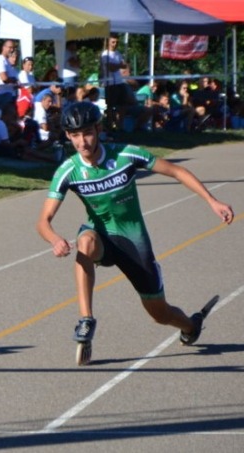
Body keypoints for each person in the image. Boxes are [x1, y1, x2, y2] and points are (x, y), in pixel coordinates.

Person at [36, 102, 234, 364]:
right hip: (101, 236)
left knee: (159, 313)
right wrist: (54, 239)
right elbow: (43, 221)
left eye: (88, 133)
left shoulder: (126, 155)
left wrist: (212, 201)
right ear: (68, 136)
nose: (82, 142)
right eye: (75, 135)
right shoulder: (68, 171)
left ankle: (190, 326)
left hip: (133, 240)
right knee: (85, 241)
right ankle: (86, 320)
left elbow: (176, 171)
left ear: (99, 129)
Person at [99, 34, 129, 130]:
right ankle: (110, 124)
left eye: (116, 42)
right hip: (110, 83)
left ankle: (120, 125)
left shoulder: (118, 53)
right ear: (108, 42)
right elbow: (111, 68)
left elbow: (125, 65)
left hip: (119, 82)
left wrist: (118, 65)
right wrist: (119, 65)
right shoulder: (105, 54)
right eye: (113, 42)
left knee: (123, 104)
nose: (115, 44)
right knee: (111, 105)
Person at [0, 40, 19, 110]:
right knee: (6, 114)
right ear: (3, 47)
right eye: (10, 47)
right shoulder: (0, 60)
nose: (12, 50)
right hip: (2, 94)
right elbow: (4, 78)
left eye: (13, 48)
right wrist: (14, 80)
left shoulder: (6, 61)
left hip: (9, 93)